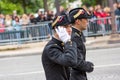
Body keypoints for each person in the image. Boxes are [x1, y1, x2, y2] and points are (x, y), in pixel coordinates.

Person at [42, 15, 78, 80]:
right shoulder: (51, 48)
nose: (70, 30)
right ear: (57, 29)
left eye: (70, 26)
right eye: (66, 27)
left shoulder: (62, 44)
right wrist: (68, 41)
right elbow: (71, 61)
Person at [69, 8, 94, 80]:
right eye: (85, 19)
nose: (87, 22)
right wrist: (87, 66)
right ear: (78, 21)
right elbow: (74, 60)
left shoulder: (76, 34)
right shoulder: (74, 36)